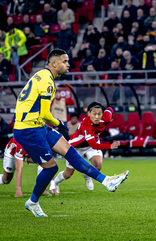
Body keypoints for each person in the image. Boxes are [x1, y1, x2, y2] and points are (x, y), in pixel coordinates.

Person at [13, 49, 129, 217]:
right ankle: (32, 202)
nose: (68, 65)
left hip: (36, 125)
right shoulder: (48, 81)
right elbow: (46, 114)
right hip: (28, 129)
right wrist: (58, 122)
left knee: (70, 152)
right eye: (65, 62)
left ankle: (107, 181)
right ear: (54, 64)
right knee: (51, 168)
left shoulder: (42, 76)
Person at [54, 102, 121, 192]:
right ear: (89, 114)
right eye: (94, 114)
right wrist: (110, 146)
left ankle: (87, 175)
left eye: (99, 114)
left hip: (91, 144)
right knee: (68, 174)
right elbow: (93, 144)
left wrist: (109, 110)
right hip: (77, 147)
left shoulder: (106, 118)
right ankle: (55, 182)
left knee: (98, 165)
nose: (97, 117)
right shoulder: (86, 124)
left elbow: (110, 109)